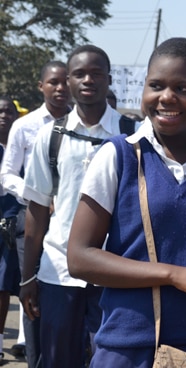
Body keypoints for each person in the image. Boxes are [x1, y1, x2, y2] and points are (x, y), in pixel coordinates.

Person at [67, 37, 186, 367]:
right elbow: (80, 258)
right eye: (156, 85)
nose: (167, 97)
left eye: (183, 88)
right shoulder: (118, 155)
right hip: (127, 343)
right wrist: (174, 275)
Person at [19, 45, 136, 368]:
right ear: (68, 80)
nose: (88, 80)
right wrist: (28, 277)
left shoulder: (132, 134)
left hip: (114, 272)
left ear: (109, 80)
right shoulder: (50, 136)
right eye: (80, 74)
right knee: (58, 359)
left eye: (96, 73)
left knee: (111, 359)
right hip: (58, 271)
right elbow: (38, 207)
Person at [0, 60, 70, 367]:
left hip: (73, 223)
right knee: (32, 294)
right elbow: (7, 175)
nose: (60, 87)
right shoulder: (25, 126)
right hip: (32, 220)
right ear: (41, 87)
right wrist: (39, 196)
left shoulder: (81, 124)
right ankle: (34, 359)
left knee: (67, 296)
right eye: (53, 82)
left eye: (65, 81)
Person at [0, 97, 22, 364]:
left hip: (17, 222)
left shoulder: (23, 146)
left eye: (9, 111)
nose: (4, 115)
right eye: (0, 111)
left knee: (7, 285)